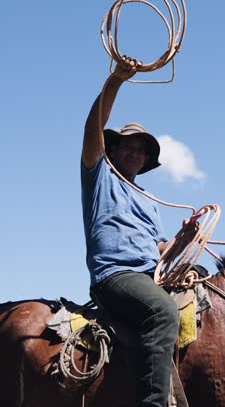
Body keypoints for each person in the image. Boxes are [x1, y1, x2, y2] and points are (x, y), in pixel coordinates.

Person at [80, 56, 179, 407]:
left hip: (149, 275)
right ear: (114, 149)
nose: (136, 153)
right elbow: (93, 126)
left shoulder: (148, 198)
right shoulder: (98, 175)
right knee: (164, 312)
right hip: (117, 275)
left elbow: (162, 247)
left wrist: (185, 238)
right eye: (130, 146)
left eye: (142, 150)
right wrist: (116, 81)